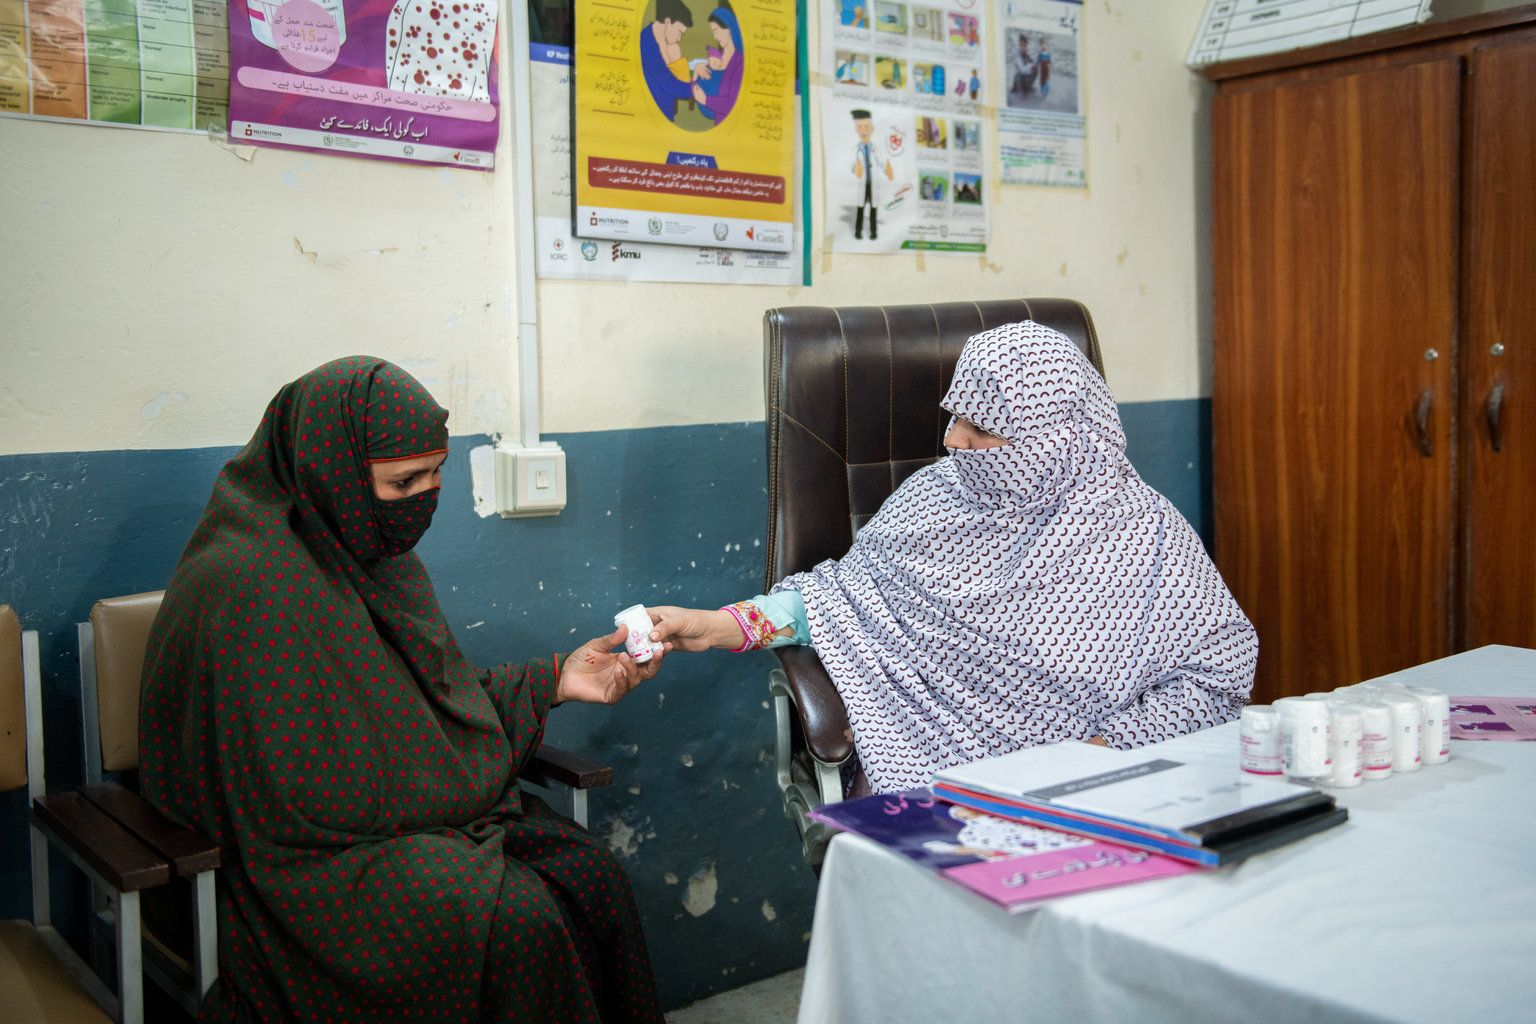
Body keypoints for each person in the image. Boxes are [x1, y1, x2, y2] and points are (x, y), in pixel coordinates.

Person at [138, 357, 667, 1023]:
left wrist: (554, 679)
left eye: (437, 471)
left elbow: (424, 703)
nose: (427, 495)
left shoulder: (370, 554)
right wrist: (464, 778)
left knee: (593, 876)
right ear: (330, 470)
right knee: (520, 923)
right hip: (305, 865)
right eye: (403, 481)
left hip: (406, 815)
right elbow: (295, 795)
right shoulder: (250, 586)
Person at [648, 321, 1258, 795]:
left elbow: (1216, 672)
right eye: (956, 415)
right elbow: (839, 602)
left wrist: (1099, 753)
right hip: (923, 760)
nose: (952, 441)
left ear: (1059, 441)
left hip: (1104, 784)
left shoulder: (1145, 533)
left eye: (982, 428)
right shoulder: (934, 496)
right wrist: (717, 625)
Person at [640, 0, 696, 120]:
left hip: (664, 116)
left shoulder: (662, 42)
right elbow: (670, 85)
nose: (679, 38)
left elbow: (674, 76)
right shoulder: (646, 42)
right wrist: (702, 87)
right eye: (679, 32)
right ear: (667, 21)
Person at [690, 5, 743, 124]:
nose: (715, 37)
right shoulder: (716, 57)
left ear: (728, 29)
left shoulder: (740, 63)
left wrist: (706, 100)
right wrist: (696, 74)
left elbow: (733, 103)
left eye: (716, 31)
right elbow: (697, 88)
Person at [849, 107, 892, 240]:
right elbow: (851, 165)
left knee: (873, 210)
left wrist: (887, 170)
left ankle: (874, 232)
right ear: (856, 129)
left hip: (872, 184)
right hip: (862, 184)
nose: (863, 130)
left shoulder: (876, 148)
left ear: (872, 129)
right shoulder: (856, 149)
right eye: (860, 127)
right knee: (860, 210)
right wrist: (855, 168)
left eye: (866, 126)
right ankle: (858, 232)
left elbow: (882, 162)